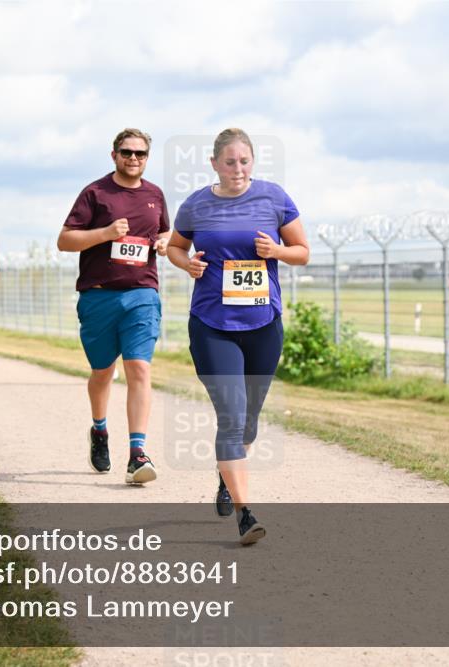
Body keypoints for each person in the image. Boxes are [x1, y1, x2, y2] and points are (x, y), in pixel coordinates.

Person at [168, 128, 310, 545]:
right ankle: (246, 514)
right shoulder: (196, 203)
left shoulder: (273, 197)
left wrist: (277, 252)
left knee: (248, 422)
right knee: (230, 417)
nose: (238, 169)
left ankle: (226, 476)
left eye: (244, 161)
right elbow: (176, 247)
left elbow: (302, 251)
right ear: (214, 163)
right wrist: (187, 264)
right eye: (229, 162)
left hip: (264, 326)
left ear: (254, 161)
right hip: (213, 325)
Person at [57, 128, 170, 485]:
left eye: (140, 153)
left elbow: (165, 232)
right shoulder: (96, 193)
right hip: (99, 295)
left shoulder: (155, 195)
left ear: (147, 157)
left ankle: (138, 454)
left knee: (139, 368)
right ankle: (100, 430)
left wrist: (166, 242)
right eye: (126, 152)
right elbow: (64, 240)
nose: (133, 158)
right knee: (103, 372)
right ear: (114, 155)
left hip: (142, 294)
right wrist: (104, 233)